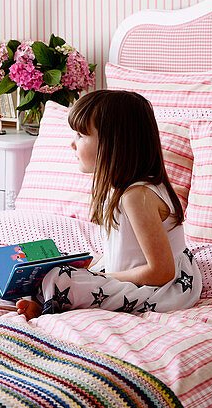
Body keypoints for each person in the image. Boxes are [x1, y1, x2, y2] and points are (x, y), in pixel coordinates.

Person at [15, 89, 202, 320]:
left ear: (112, 143)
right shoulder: (121, 189)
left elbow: (161, 272)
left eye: (81, 136)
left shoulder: (137, 196)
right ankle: (45, 295)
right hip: (136, 274)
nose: (73, 144)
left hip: (161, 288)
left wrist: (106, 277)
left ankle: (46, 302)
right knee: (49, 263)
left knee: (60, 278)